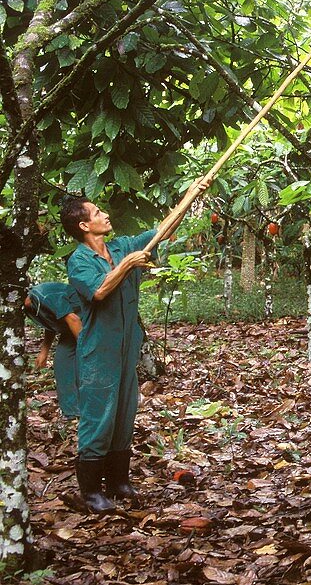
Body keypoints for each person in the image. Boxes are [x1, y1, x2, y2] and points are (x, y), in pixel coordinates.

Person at [61, 182, 207, 513]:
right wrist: (126, 264)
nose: (105, 214)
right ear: (84, 225)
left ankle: (117, 481)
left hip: (127, 347)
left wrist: (190, 194)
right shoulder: (79, 261)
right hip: (99, 350)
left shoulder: (122, 244)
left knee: (125, 413)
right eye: (98, 212)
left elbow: (163, 230)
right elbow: (99, 291)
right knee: (99, 416)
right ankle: (90, 492)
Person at [24, 282, 84, 419]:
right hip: (71, 328)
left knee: (84, 364)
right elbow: (51, 322)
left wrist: (85, 351)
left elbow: (73, 319)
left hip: (87, 320)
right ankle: (72, 413)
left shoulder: (43, 296)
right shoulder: (29, 307)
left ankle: (92, 408)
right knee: (62, 364)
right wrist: (44, 351)